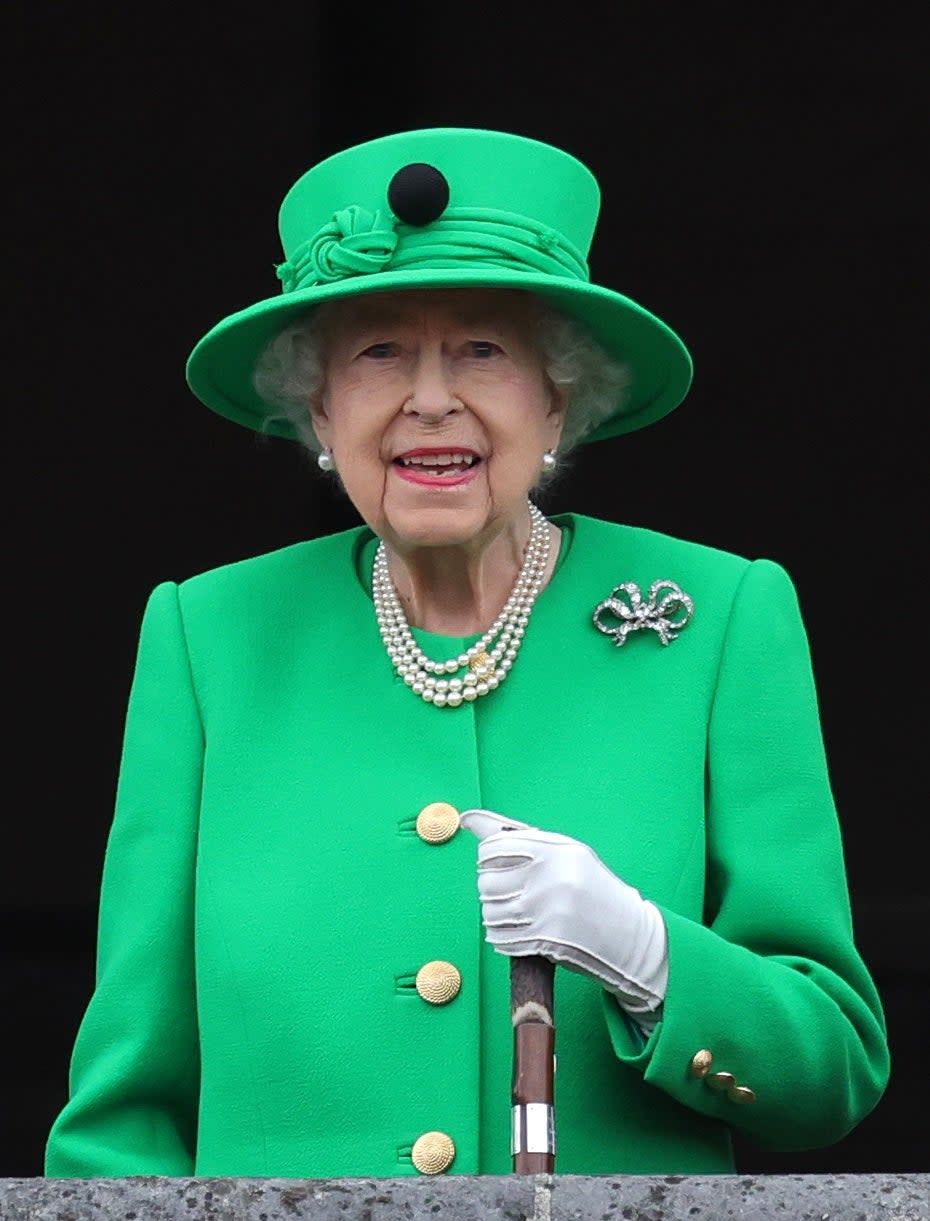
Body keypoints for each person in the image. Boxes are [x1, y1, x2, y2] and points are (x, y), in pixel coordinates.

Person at [44, 127, 889, 1180]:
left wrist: (646, 953)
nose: (431, 398)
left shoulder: (720, 619)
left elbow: (832, 1074)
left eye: (483, 349)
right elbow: (122, 1118)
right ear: (320, 408)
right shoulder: (208, 639)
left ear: (560, 400)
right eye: (379, 352)